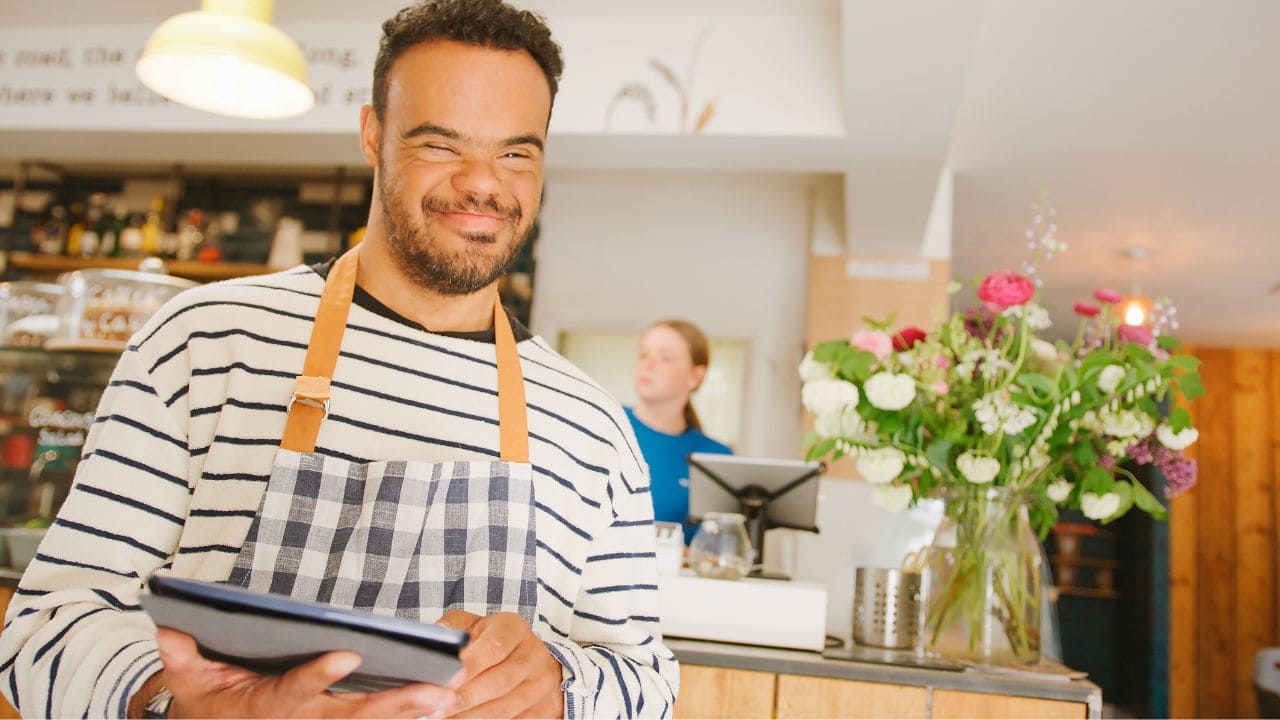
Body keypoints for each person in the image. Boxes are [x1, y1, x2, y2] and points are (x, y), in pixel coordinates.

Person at [0, 2, 678, 718]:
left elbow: (647, 681)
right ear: (372, 136)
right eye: (441, 144)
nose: (483, 183)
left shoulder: (592, 426)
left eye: (515, 151)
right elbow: (46, 625)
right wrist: (176, 700)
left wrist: (560, 685)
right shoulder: (204, 341)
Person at [625, 320, 732, 543]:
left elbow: (719, 547)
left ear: (696, 376)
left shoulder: (716, 458)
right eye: (643, 354)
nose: (648, 364)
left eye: (665, 358)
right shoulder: (604, 427)